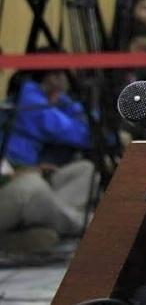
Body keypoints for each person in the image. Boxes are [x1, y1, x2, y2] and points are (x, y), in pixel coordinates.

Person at [0, 56, 96, 253]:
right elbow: (76, 133)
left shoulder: (44, 98)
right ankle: (91, 225)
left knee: (85, 170)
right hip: (14, 186)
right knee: (32, 187)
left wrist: (28, 170)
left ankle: (28, 231)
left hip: (16, 179)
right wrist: (19, 175)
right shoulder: (30, 100)